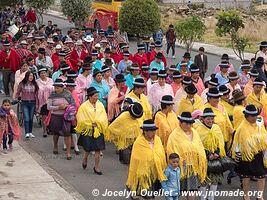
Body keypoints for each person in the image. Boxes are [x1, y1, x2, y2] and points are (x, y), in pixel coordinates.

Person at [167, 112, 207, 200]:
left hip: (193, 166)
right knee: (178, 189)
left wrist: (200, 158)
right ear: (180, 123)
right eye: (186, 123)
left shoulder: (195, 133)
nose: (188, 126)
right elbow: (171, 150)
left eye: (190, 123)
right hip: (180, 167)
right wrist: (178, 161)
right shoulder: (174, 135)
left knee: (192, 189)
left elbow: (199, 146)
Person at [232, 104, 267, 200]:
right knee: (246, 177)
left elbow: (264, 136)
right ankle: (246, 195)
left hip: (259, 153)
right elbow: (237, 143)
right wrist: (237, 155)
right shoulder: (241, 128)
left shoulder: (259, 124)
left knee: (262, 176)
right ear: (247, 116)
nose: (255, 117)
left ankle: (260, 196)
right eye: (252, 116)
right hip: (246, 155)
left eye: (256, 115)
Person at [126, 119, 167, 198]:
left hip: (156, 172)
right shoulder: (139, 142)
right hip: (144, 175)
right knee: (148, 196)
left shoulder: (157, 140)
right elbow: (135, 160)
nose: (154, 133)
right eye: (151, 131)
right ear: (145, 131)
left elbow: (161, 155)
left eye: (154, 130)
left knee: (153, 194)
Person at [76, 87, 108, 175]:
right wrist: (90, 124)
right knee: (87, 148)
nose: (97, 98)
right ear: (90, 97)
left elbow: (103, 116)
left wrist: (99, 123)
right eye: (95, 96)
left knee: (98, 149)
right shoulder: (84, 107)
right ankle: (85, 158)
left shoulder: (100, 104)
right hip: (88, 130)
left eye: (97, 96)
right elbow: (81, 118)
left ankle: (97, 167)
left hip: (98, 129)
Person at [196, 108, 226, 200]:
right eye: (208, 119)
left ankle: (211, 197)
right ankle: (203, 197)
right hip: (203, 157)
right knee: (204, 179)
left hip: (216, 157)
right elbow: (198, 145)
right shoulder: (198, 130)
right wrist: (208, 154)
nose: (210, 121)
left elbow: (220, 142)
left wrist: (217, 153)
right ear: (203, 119)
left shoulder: (216, 128)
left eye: (212, 119)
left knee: (215, 179)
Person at [47, 79, 75, 160]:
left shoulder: (68, 94)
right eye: (55, 88)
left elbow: (73, 104)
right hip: (55, 116)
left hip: (66, 117)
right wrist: (58, 107)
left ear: (62, 87)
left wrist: (67, 106)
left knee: (67, 133)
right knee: (56, 133)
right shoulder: (52, 95)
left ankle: (68, 152)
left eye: (58, 88)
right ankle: (55, 146)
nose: (56, 89)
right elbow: (48, 107)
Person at [15, 71, 38, 139]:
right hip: (24, 102)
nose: (31, 77)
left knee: (31, 118)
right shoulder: (22, 83)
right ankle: (27, 133)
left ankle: (30, 132)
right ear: (27, 76)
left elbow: (37, 93)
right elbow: (18, 92)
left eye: (32, 76)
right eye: (30, 76)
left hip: (33, 102)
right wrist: (17, 98)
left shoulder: (35, 84)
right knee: (26, 118)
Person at [36, 68, 54, 137]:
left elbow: (53, 88)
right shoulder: (37, 81)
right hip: (42, 101)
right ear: (39, 74)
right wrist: (45, 89)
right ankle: (44, 130)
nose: (43, 74)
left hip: (50, 100)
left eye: (44, 73)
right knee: (44, 116)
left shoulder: (50, 80)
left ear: (46, 73)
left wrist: (46, 88)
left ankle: (49, 128)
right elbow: (37, 91)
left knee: (51, 115)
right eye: (41, 73)